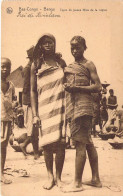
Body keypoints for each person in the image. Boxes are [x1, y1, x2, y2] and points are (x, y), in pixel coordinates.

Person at [63, 36, 102, 192]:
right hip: (74, 107)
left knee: (80, 144)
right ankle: (96, 179)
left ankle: (77, 183)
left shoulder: (89, 65)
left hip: (84, 108)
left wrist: (77, 88)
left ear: (84, 47)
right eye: (72, 47)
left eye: (77, 47)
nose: (74, 50)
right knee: (88, 143)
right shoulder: (70, 66)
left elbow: (98, 86)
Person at [31, 34, 66, 189]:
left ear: (55, 44)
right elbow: (32, 91)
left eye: (50, 42)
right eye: (45, 43)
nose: (48, 45)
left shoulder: (61, 62)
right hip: (44, 107)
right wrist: (35, 114)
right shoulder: (36, 64)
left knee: (61, 143)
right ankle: (50, 176)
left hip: (60, 106)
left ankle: (59, 177)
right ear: (40, 45)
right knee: (46, 145)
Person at [20, 46, 40, 160]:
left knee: (34, 128)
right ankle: (35, 152)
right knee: (32, 128)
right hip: (28, 101)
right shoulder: (28, 68)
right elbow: (27, 87)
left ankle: (26, 145)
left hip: (31, 101)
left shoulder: (32, 67)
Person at [1, 57, 15, 184]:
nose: (5, 69)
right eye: (2, 66)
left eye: (7, 67)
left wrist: (14, 105)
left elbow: (14, 100)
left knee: (3, 146)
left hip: (6, 119)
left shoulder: (11, 85)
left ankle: (1, 172)